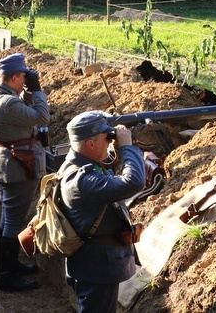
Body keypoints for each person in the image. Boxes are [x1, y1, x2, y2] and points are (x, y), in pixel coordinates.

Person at [59, 111, 146, 313]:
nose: (110, 142)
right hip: (96, 268)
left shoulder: (82, 166)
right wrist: (127, 148)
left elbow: (112, 180)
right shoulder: (81, 180)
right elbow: (134, 182)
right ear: (90, 144)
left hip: (94, 264)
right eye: (107, 139)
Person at [0, 53, 49, 292]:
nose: (26, 79)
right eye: (22, 76)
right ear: (12, 77)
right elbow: (42, 116)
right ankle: (8, 276)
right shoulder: (8, 103)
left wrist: (27, 90)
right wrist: (38, 90)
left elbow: (19, 110)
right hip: (17, 168)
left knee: (8, 218)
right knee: (12, 220)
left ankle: (11, 266)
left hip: (5, 164)